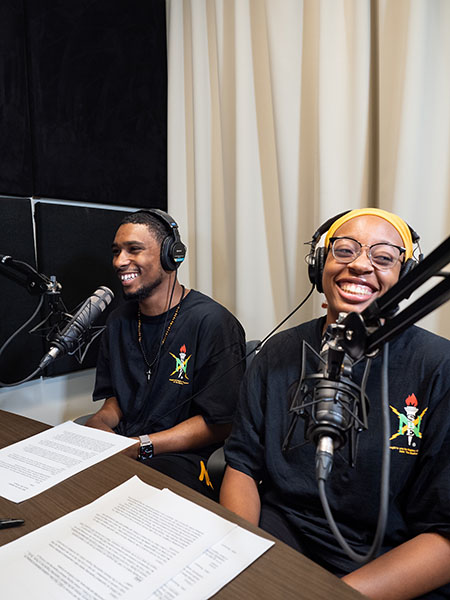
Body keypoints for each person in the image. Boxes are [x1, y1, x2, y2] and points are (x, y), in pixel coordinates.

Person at [220, 208, 450, 599]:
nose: (360, 264)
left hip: (386, 565)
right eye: (344, 251)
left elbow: (444, 535)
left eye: (383, 258)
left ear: (406, 276)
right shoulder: (278, 353)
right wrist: (239, 561)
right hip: (282, 541)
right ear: (319, 266)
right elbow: (242, 465)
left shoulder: (438, 366)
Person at [85, 208, 246, 500]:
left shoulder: (212, 322)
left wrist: (142, 444)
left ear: (172, 255)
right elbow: (118, 399)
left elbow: (221, 422)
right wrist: (100, 422)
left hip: (185, 458)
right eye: (116, 251)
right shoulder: (118, 321)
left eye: (134, 249)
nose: (120, 261)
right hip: (126, 445)